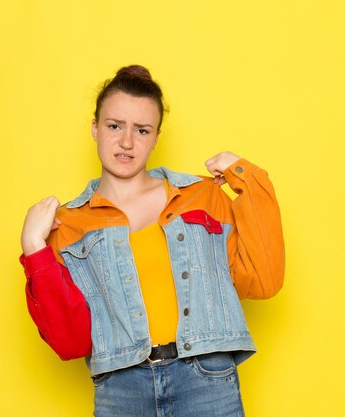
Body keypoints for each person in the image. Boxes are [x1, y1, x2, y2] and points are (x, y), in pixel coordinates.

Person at [19, 65, 285, 417]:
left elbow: (262, 279)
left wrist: (248, 178)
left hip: (206, 379)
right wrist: (34, 249)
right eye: (114, 126)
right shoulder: (68, 225)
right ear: (95, 129)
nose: (126, 142)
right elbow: (72, 342)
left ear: (156, 137)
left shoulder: (200, 196)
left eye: (141, 130)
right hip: (121, 389)